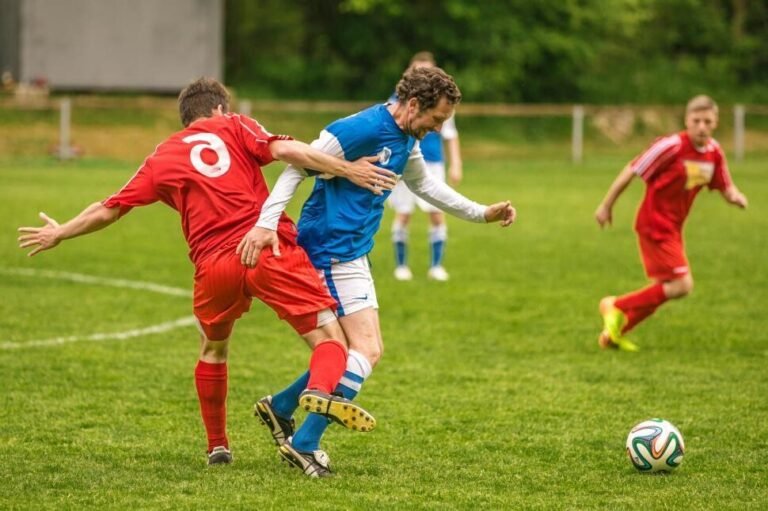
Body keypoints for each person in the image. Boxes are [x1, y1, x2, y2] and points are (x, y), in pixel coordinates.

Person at [17, 77, 399, 467]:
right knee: (330, 341)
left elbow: (109, 208)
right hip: (266, 248)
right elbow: (287, 150)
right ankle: (319, 392)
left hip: (214, 268)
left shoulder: (162, 156)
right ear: (220, 108)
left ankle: (217, 445)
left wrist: (61, 232)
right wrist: (346, 169)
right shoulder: (236, 125)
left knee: (214, 349)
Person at [239, 66, 516, 477]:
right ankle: (305, 443)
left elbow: (425, 186)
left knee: (358, 351)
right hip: (331, 249)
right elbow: (296, 165)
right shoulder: (359, 128)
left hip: (353, 252)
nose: (438, 129)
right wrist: (266, 223)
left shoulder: (407, 137)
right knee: (366, 350)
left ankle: (281, 407)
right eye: (436, 119)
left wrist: (481, 213)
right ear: (414, 104)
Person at [594, 95, 748, 351]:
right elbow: (632, 169)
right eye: (696, 120)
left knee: (666, 288)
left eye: (707, 121)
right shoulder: (672, 146)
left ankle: (613, 334)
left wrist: (736, 197)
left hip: (675, 228)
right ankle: (615, 305)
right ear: (687, 120)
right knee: (681, 285)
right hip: (654, 224)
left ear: (715, 123)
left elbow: (725, 186)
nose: (701, 126)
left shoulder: (714, 153)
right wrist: (606, 205)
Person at [388, 51, 463, 281]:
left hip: (432, 163)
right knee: (403, 213)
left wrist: (456, 163)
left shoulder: (443, 102)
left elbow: (450, 135)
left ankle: (436, 266)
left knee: (437, 212)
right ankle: (401, 266)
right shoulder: (396, 101)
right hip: (403, 163)